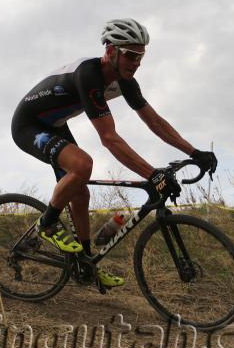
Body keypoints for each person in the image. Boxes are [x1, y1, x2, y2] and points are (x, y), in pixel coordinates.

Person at [11, 18, 217, 288]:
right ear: (111, 51)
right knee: (83, 164)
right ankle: (47, 224)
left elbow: (154, 122)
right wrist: (153, 175)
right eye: (131, 55)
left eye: (141, 57)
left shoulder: (126, 82)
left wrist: (194, 151)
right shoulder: (89, 74)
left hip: (55, 125)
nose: (137, 62)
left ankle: (86, 265)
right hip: (28, 125)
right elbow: (109, 137)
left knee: (80, 191)